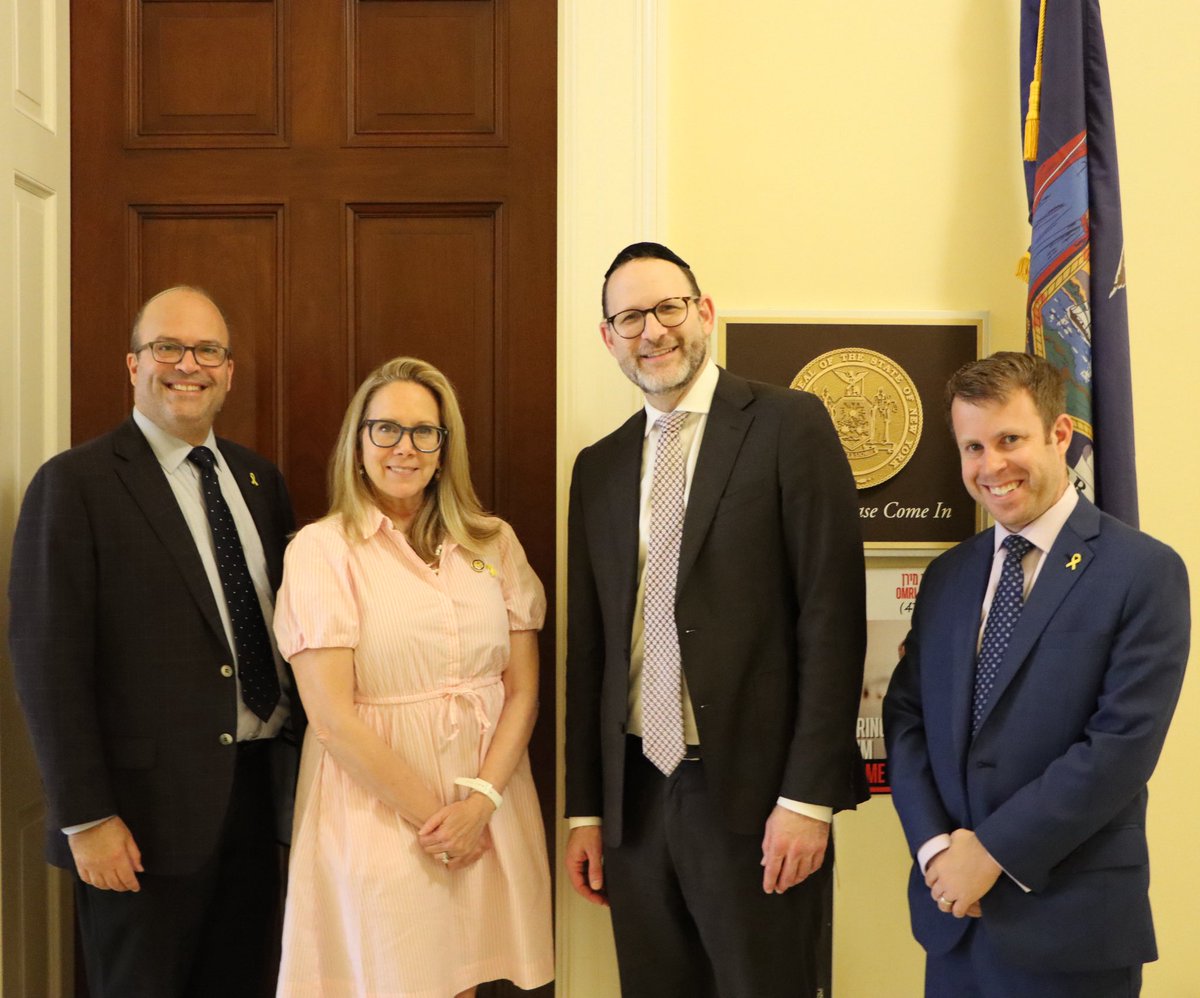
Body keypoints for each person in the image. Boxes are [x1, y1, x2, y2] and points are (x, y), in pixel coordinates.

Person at [564, 242, 868, 997]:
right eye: (630, 317)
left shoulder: (788, 426)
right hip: (634, 797)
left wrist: (807, 799)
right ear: (608, 338)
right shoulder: (597, 468)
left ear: (704, 312)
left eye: (668, 308)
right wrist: (584, 812)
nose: (652, 331)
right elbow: (589, 651)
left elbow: (832, 619)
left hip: (756, 799)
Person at [9, 286, 298, 997]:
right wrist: (87, 817)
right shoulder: (75, 484)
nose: (187, 365)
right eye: (167, 347)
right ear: (132, 365)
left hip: (259, 803)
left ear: (229, 371)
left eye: (207, 350)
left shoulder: (260, 480)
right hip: (137, 824)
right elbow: (47, 663)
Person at [884, 352, 1190, 997]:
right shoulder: (947, 578)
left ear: (1059, 434)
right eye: (973, 446)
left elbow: (1121, 747)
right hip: (955, 920)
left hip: (1072, 927)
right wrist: (938, 851)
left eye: (1009, 439)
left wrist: (989, 852)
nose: (990, 466)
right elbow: (907, 718)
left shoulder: (1143, 571)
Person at [272, 356, 552, 997]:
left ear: (444, 445)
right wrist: (440, 820)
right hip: (379, 805)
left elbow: (522, 690)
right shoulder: (322, 549)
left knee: (466, 980)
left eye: (425, 431)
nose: (406, 447)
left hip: (488, 796)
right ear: (358, 440)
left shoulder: (493, 541)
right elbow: (333, 718)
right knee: (398, 980)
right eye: (387, 429)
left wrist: (479, 805)